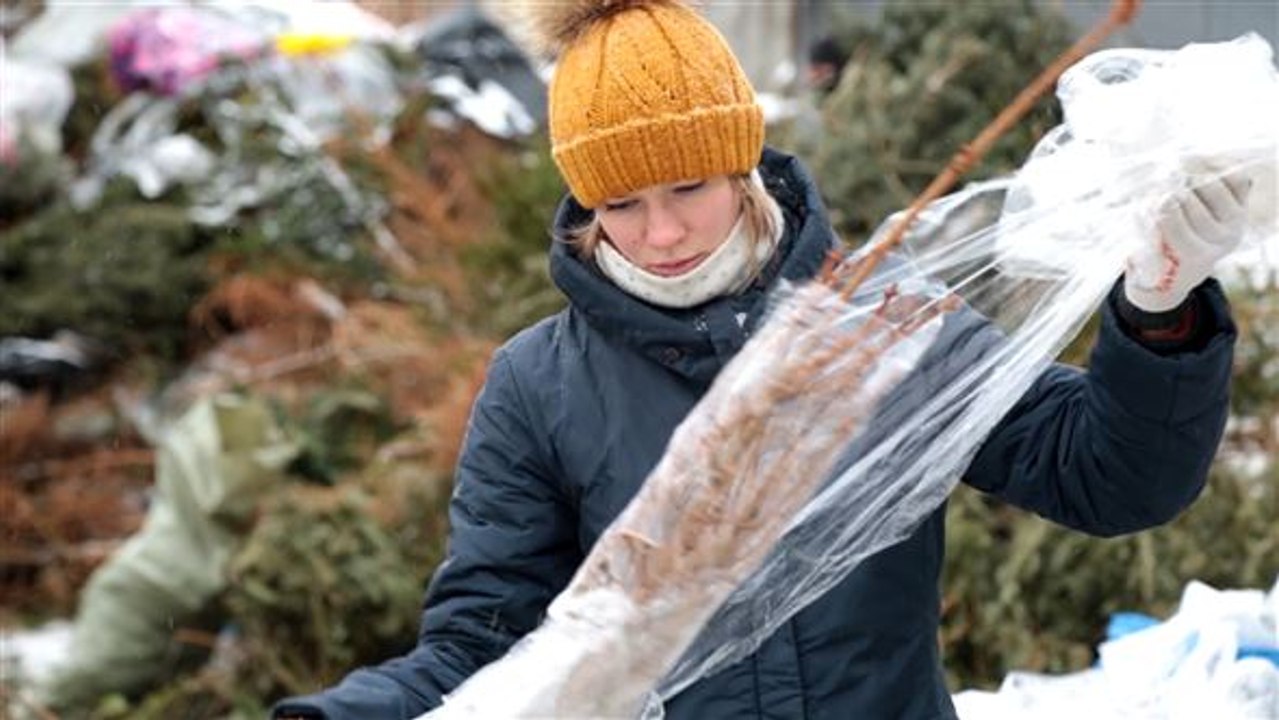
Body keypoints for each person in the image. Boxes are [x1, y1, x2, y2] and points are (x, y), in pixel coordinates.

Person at [273, 1, 1250, 718]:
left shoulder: (880, 324)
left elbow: (1107, 480)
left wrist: (1158, 312)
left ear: (740, 164)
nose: (659, 234)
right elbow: (485, 648)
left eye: (687, 188)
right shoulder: (539, 388)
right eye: (620, 205)